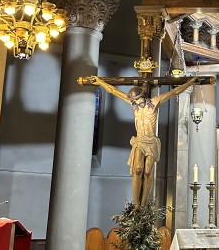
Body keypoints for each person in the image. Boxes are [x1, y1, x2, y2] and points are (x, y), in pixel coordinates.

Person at [80, 75, 197, 207]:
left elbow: (174, 92)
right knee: (137, 169)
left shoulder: (155, 102)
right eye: (133, 101)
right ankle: (136, 203)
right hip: (140, 141)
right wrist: (100, 82)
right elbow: (114, 91)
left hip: (151, 142)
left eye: (136, 100)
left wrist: (190, 82)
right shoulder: (134, 105)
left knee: (147, 171)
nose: (134, 103)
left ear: (143, 96)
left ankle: (143, 203)